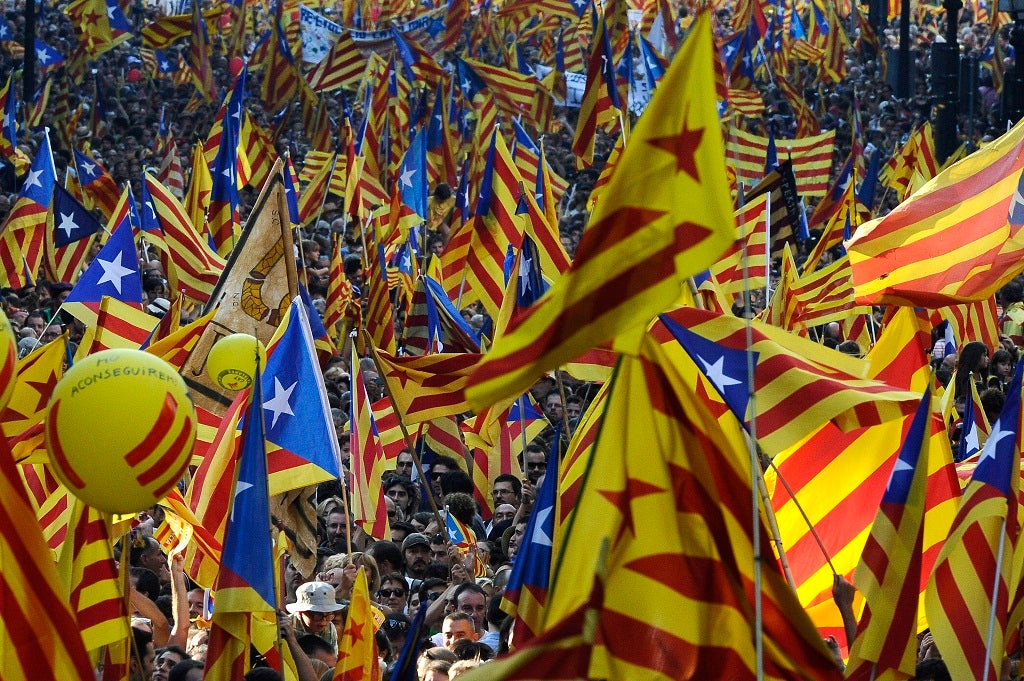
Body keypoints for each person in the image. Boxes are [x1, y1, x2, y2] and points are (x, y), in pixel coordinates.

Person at [286, 582, 345, 653]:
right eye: (317, 615)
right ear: (301, 612)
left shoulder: (330, 627)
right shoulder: (286, 627)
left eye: (329, 615)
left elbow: (332, 658)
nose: (324, 621)